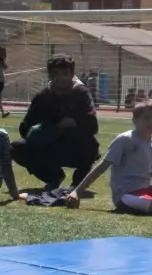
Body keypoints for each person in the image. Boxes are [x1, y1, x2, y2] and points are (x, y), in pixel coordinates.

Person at [12, 54, 100, 190]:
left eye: (65, 73)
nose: (61, 78)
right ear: (50, 75)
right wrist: (45, 130)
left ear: (72, 74)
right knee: (17, 148)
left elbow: (92, 125)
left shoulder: (81, 93)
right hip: (49, 146)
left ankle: (78, 182)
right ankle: (53, 177)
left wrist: (71, 125)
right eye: (55, 73)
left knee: (90, 145)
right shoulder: (43, 96)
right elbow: (25, 128)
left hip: (74, 146)